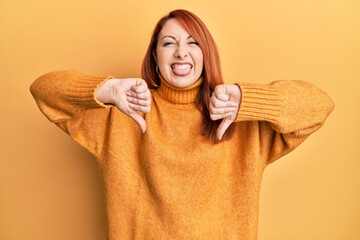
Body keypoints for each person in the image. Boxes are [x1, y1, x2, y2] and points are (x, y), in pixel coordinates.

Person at [30, 9, 334, 240]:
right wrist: (106, 90)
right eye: (168, 43)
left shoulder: (238, 119)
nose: (181, 52)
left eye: (192, 42)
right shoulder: (125, 113)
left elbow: (319, 105)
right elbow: (43, 89)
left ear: (206, 54)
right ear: (155, 56)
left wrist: (248, 99)